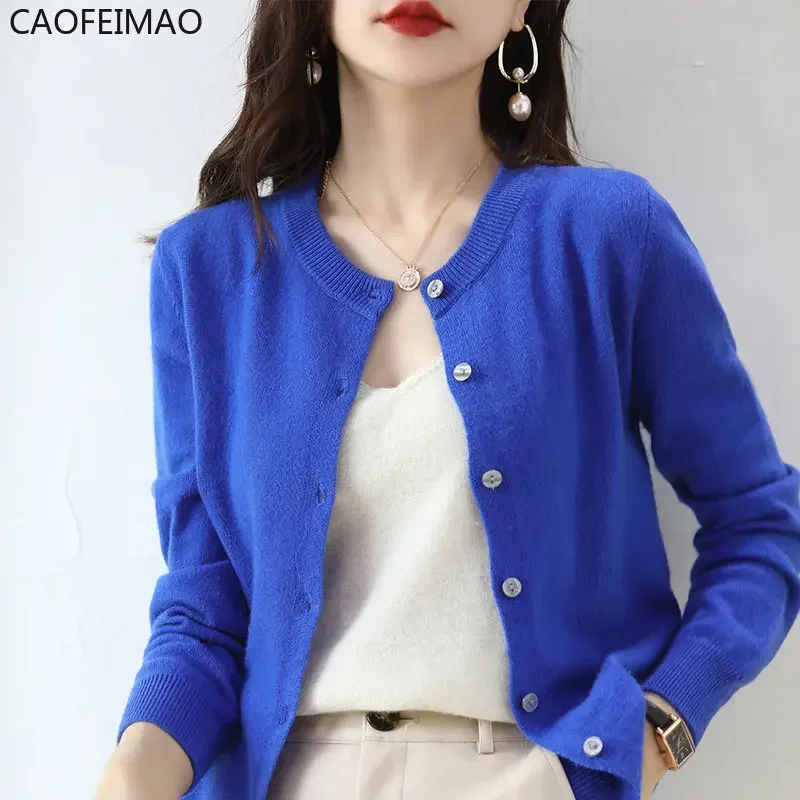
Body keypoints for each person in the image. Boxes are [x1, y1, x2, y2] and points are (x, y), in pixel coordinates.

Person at [92, 1, 800, 799]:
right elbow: (206, 609)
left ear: (520, 8)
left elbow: (761, 524)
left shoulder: (607, 234)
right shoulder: (208, 268)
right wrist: (131, 775)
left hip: (532, 776)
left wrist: (659, 729)